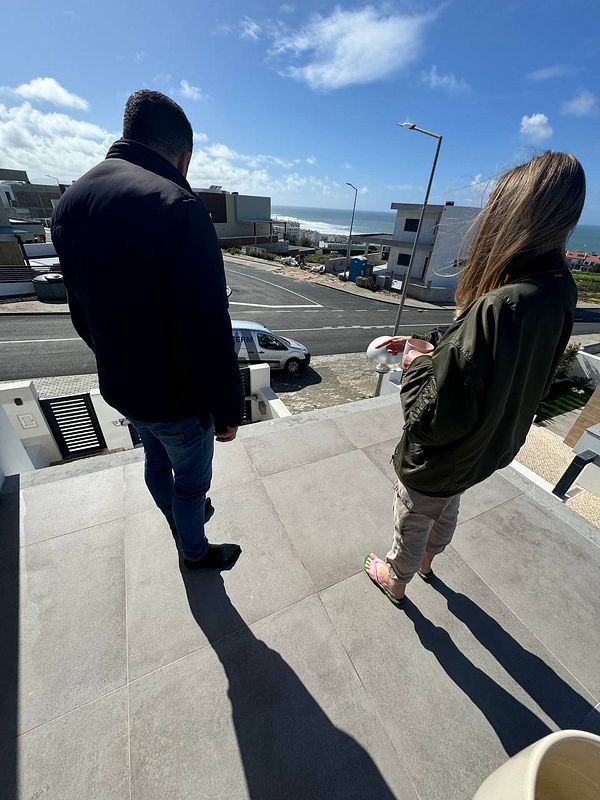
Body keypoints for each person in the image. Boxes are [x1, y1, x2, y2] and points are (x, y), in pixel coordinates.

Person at [364, 150, 585, 605]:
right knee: (447, 509)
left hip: (442, 457)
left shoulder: (499, 305)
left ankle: (397, 579)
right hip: (483, 449)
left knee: (413, 515)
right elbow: (490, 360)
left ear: (513, 216)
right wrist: (432, 345)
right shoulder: (559, 289)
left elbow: (428, 416)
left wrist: (415, 362)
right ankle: (428, 562)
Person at [51, 90, 244, 570]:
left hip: (123, 388)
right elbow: (208, 327)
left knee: (156, 461)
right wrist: (227, 409)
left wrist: (118, 357)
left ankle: (179, 521)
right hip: (177, 400)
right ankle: (193, 550)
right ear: (184, 156)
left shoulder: (71, 201)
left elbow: (80, 311)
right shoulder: (178, 206)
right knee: (192, 484)